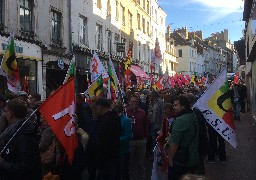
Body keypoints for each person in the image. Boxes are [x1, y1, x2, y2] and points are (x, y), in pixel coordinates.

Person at [0, 99, 41, 179]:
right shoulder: (15, 129)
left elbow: (26, 165)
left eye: (5, 111)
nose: (4, 114)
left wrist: (3, 163)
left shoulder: (24, 134)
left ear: (11, 114)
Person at [167, 95, 199, 180]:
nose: (174, 107)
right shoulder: (192, 115)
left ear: (183, 105)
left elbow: (175, 143)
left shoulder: (181, 120)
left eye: (176, 105)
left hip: (181, 160)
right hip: (191, 156)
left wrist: (170, 159)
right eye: (173, 105)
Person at [93, 97, 121, 180]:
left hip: (106, 157)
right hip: (113, 155)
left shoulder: (106, 121)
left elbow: (103, 140)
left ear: (100, 107)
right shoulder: (114, 117)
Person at [185, 93, 209, 175]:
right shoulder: (195, 111)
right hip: (198, 146)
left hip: (198, 147)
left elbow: (198, 131)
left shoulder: (195, 113)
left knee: (199, 169)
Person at [127, 94, 149, 180]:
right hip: (130, 141)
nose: (134, 103)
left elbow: (146, 126)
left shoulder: (142, 113)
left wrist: (146, 138)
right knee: (129, 162)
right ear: (129, 102)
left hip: (141, 141)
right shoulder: (126, 112)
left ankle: (141, 178)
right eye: (132, 101)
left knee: (140, 163)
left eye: (136, 101)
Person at [114, 100, 133, 180]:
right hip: (115, 151)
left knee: (124, 172)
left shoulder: (126, 120)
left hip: (124, 151)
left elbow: (128, 136)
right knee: (116, 172)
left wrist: (116, 140)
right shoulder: (114, 119)